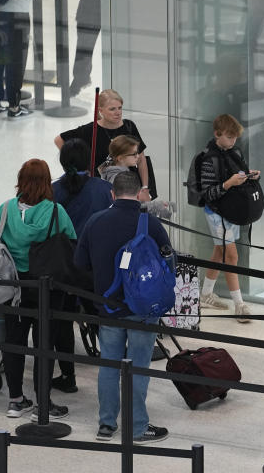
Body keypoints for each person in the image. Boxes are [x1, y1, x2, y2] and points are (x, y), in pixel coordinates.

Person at [73, 171, 171, 443]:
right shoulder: (150, 223)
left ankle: (106, 425)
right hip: (142, 307)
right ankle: (138, 427)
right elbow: (167, 262)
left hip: (108, 307)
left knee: (109, 366)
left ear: (112, 194)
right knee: (138, 366)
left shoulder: (95, 221)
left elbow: (80, 264)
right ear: (140, 193)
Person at [0, 159, 77, 420]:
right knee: (44, 345)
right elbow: (71, 241)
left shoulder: (5, 209)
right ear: (46, 181)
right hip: (46, 288)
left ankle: (15, 400)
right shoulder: (55, 211)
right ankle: (43, 402)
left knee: (14, 342)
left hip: (13, 287)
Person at [49, 138, 113, 394]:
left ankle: (68, 376)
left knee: (63, 321)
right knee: (102, 319)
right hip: (95, 267)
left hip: (64, 266)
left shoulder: (53, 191)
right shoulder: (105, 189)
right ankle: (115, 370)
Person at [196, 114, 261, 319]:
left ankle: (205, 294)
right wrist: (229, 183)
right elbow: (207, 194)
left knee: (219, 252)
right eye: (229, 137)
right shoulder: (207, 159)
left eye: (235, 138)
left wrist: (249, 175)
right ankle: (240, 305)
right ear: (217, 134)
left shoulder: (235, 152)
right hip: (217, 212)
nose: (233, 141)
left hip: (231, 211)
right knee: (231, 256)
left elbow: (236, 174)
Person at [55, 89, 152, 192]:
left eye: (120, 108)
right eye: (112, 109)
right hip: (100, 188)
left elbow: (141, 159)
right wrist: (77, 167)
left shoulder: (129, 127)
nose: (118, 113)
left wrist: (145, 188)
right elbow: (59, 140)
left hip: (129, 187)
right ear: (101, 110)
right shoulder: (90, 130)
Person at [99, 135, 172, 218]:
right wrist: (155, 207)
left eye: (137, 153)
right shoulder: (119, 177)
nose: (138, 156)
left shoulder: (116, 172)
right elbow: (128, 204)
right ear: (120, 158)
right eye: (134, 154)